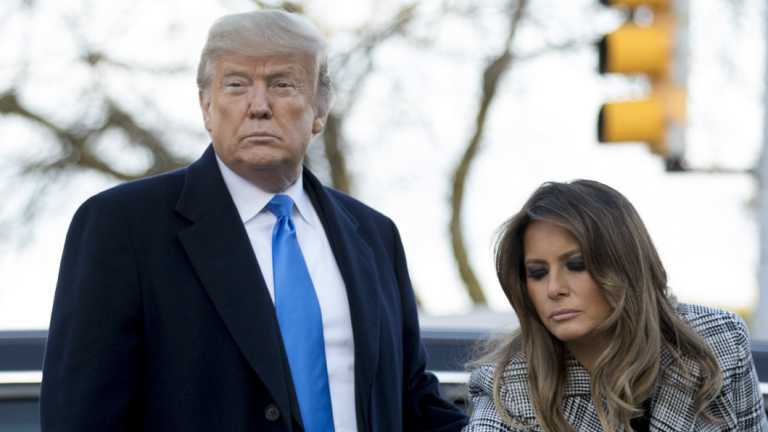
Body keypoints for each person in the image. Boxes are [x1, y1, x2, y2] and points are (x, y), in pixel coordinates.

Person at [40, 10, 467, 432]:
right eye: (236, 85)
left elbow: (414, 403)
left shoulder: (375, 236)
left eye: (282, 84)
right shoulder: (123, 227)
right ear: (207, 107)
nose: (258, 106)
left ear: (319, 110)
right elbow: (81, 417)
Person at [464, 180, 767, 432]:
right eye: (538, 273)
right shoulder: (509, 385)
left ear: (624, 265)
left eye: (576, 264)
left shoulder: (718, 341)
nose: (554, 288)